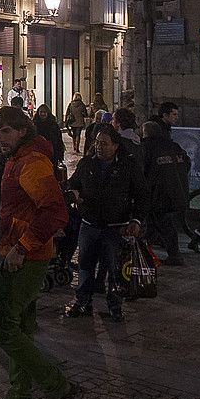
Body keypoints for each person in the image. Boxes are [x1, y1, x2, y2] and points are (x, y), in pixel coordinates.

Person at [0, 107, 80, 399]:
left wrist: (22, 247)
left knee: (2, 327)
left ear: (22, 130)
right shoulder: (17, 160)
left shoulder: (31, 163)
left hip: (26, 257)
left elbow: (55, 213)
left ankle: (60, 390)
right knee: (19, 326)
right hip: (18, 252)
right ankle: (19, 398)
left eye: (6, 131)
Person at [63, 124, 147, 322]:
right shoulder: (87, 164)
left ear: (116, 145)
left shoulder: (128, 166)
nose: (99, 147)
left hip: (116, 228)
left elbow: (142, 195)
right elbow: (74, 183)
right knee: (85, 266)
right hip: (89, 224)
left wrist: (136, 220)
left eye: (104, 143)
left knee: (115, 269)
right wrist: (74, 192)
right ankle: (82, 301)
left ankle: (115, 306)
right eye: (97, 143)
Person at [141, 120, 190, 266]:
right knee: (159, 222)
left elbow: (143, 170)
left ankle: (173, 255)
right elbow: (187, 163)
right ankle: (150, 252)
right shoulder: (174, 146)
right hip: (177, 191)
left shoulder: (146, 148)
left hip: (158, 193)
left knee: (163, 222)